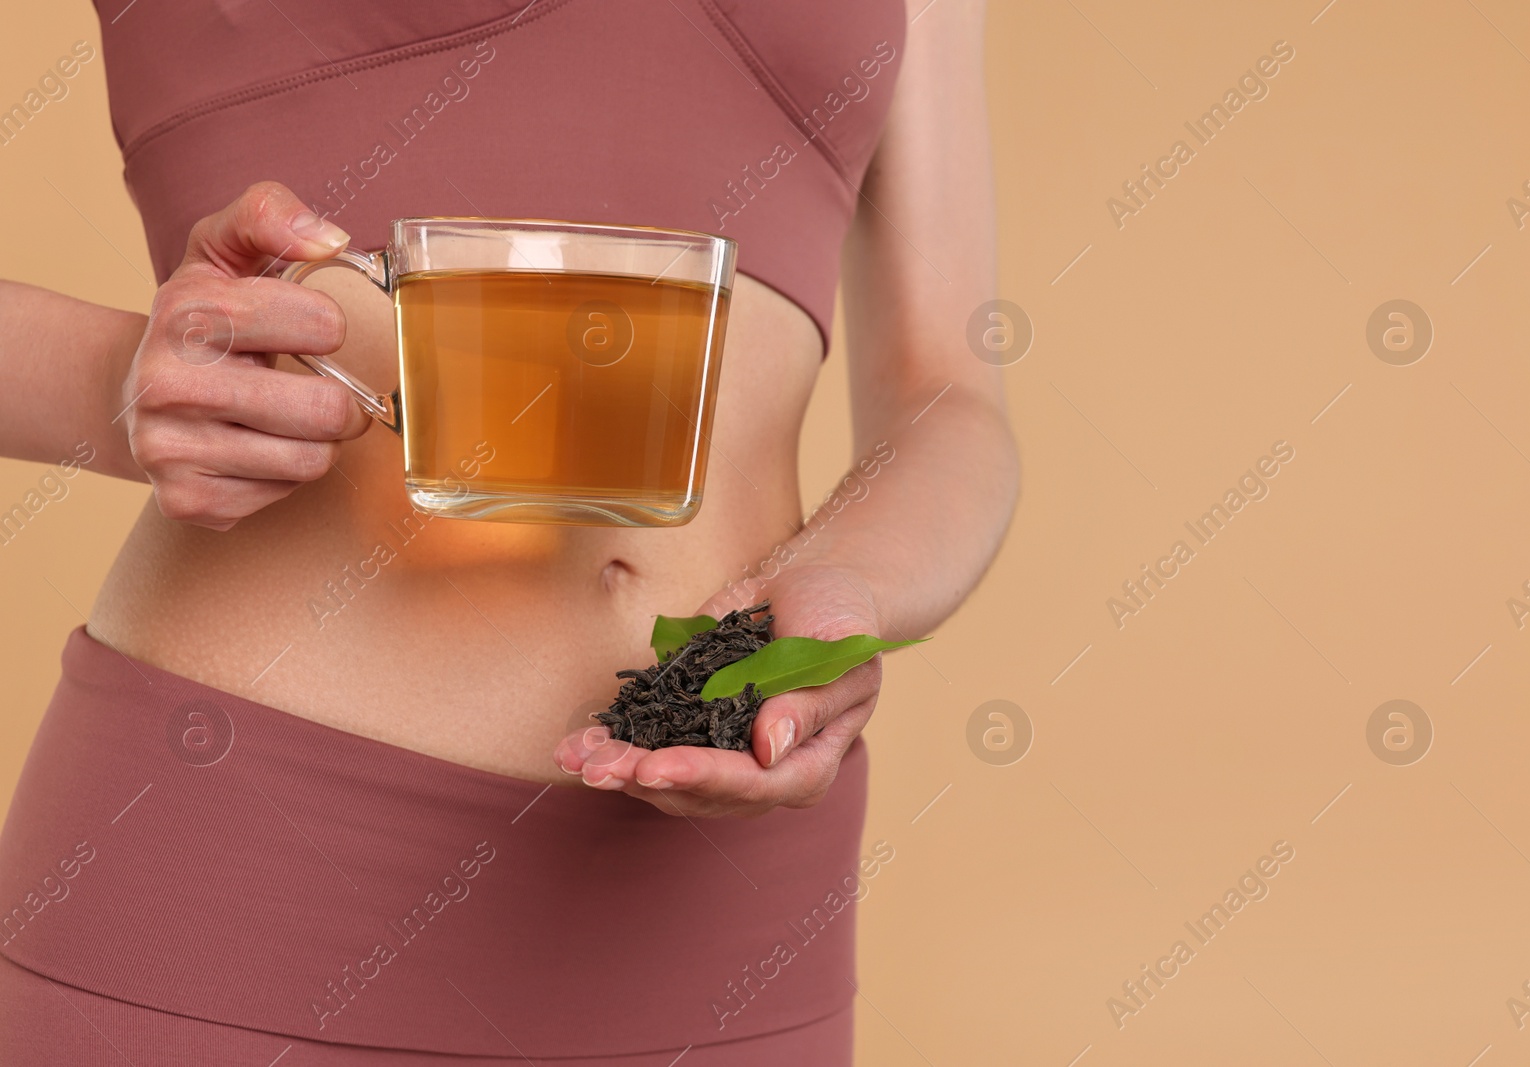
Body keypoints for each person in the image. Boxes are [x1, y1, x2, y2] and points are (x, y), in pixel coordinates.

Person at [0, 1, 1015, 1062]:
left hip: (723, 916)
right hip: (247, 872)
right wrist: (113, 385)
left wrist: (849, 591)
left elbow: (948, 399)